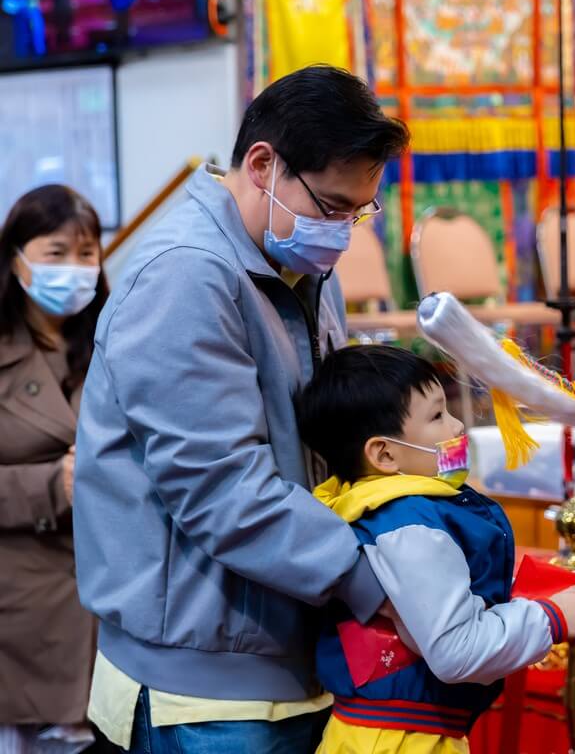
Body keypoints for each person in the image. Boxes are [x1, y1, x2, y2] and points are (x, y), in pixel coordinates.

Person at [73, 65, 410, 753]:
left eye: (358, 212)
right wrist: (372, 581)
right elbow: (221, 486)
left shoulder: (303, 266)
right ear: (262, 165)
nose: (342, 232)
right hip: (202, 686)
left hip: (292, 647)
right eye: (331, 206)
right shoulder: (185, 275)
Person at [297, 345, 575, 754]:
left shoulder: (390, 510)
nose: (456, 425)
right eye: (437, 416)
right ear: (384, 453)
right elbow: (455, 649)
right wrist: (552, 618)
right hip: (402, 743)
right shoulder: (411, 527)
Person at [0, 185, 107, 753]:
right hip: (19, 611)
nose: (74, 268)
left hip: (107, 598)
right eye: (56, 252)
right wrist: (51, 485)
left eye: (87, 252)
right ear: (17, 258)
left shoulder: (115, 342)